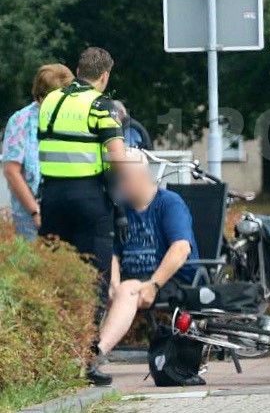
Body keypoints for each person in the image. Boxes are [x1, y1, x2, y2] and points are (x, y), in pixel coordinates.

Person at [89, 149, 199, 386]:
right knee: (102, 286)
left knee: (128, 289)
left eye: (122, 178)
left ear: (139, 176)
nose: (118, 185)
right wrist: (113, 282)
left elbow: (181, 249)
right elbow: (114, 252)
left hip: (170, 279)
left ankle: (96, 354)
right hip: (131, 280)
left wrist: (153, 284)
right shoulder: (121, 209)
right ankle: (79, 350)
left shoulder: (169, 204)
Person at [37, 48, 127, 315]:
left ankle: (57, 342)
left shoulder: (51, 100)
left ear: (77, 72)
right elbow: (118, 160)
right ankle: (89, 349)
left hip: (51, 198)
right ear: (104, 76)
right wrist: (120, 203)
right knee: (95, 277)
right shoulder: (101, 105)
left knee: (55, 276)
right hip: (89, 199)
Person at [2, 64, 74, 239]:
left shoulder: (72, 119)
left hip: (69, 210)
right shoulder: (21, 121)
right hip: (31, 215)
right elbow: (11, 172)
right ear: (40, 97)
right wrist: (35, 212)